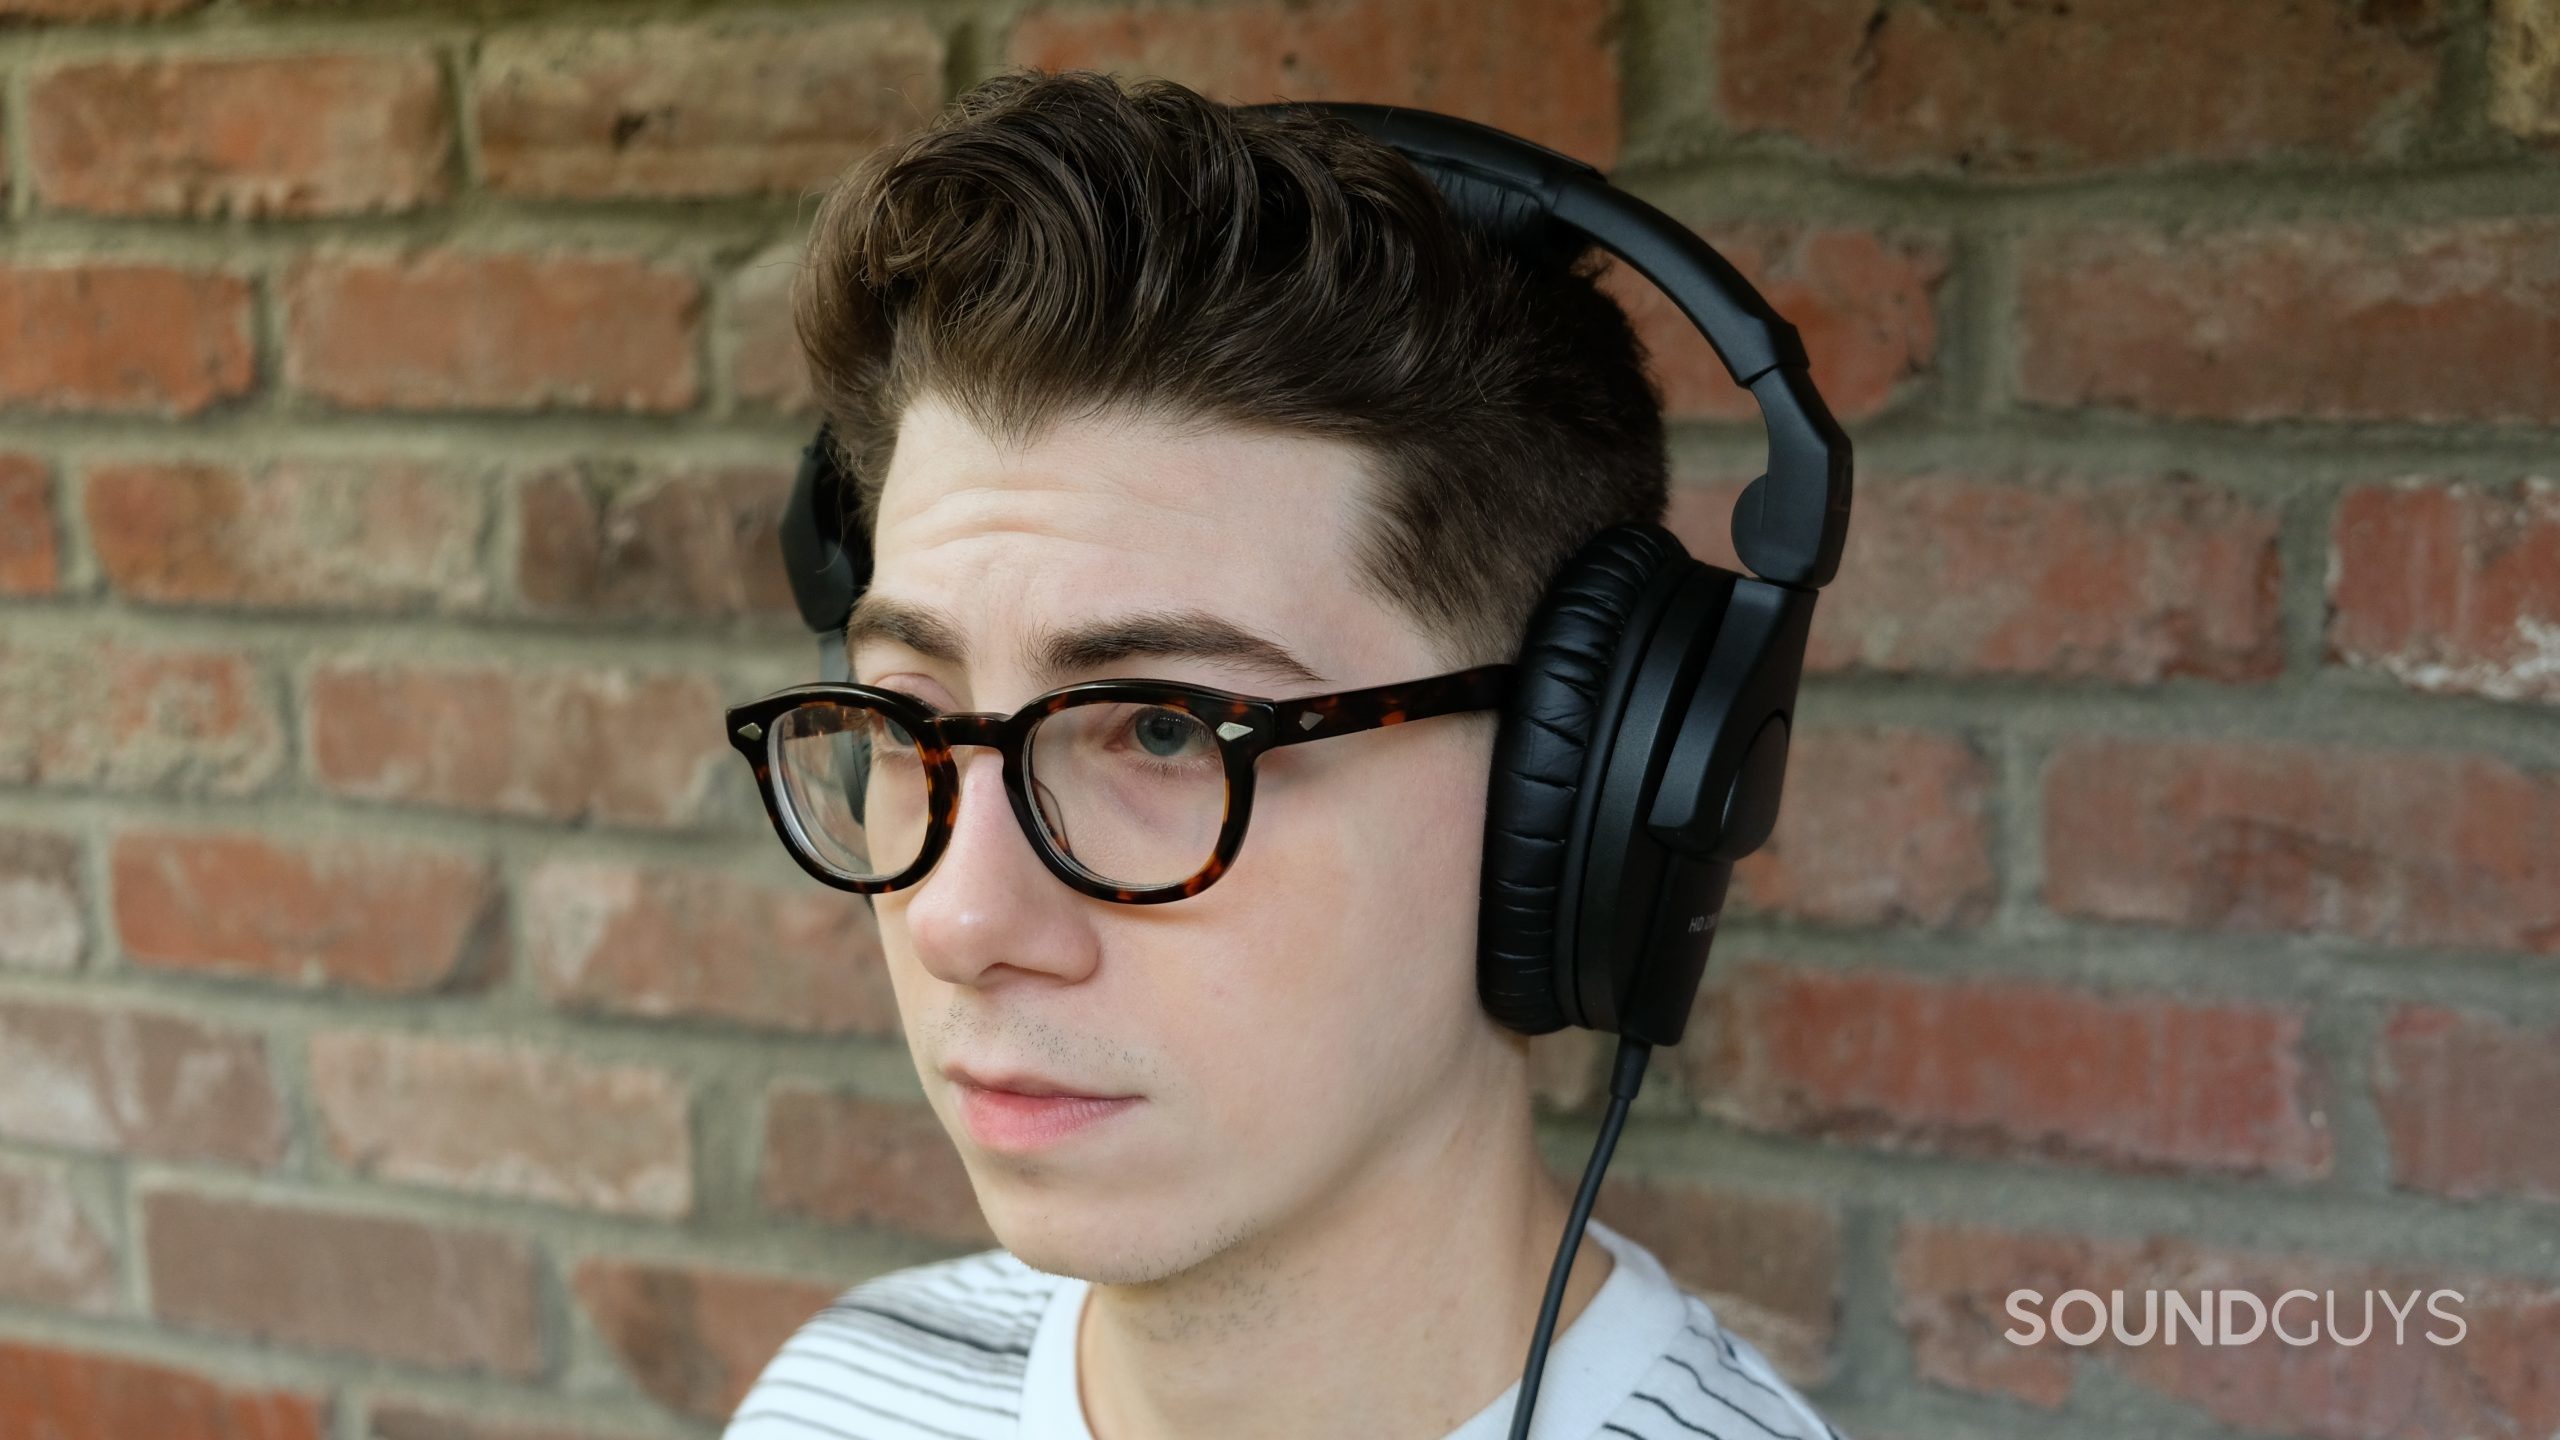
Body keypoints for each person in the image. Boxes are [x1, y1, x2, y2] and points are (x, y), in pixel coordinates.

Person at [721, 68, 1846, 1440]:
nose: (960, 919)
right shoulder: (839, 1394)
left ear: (1588, 808)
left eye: (1162, 731)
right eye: (912, 717)